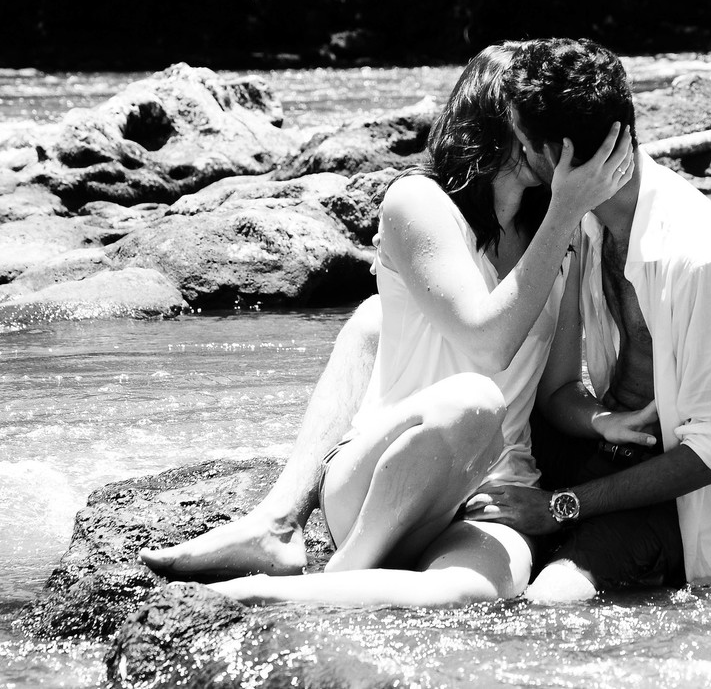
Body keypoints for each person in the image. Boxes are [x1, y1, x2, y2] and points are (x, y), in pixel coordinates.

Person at [141, 41, 635, 605]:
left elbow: (557, 390)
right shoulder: (418, 202)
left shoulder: (563, 242)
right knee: (474, 403)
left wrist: (604, 421)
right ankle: (343, 568)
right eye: (525, 118)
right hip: (377, 479)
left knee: (471, 592)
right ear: (486, 119)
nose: (539, 138)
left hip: (495, 493)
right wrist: (566, 210)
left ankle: (272, 597)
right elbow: (489, 342)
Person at [463, 37, 711, 600]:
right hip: (606, 454)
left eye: (518, 142)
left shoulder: (698, 259)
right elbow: (558, 392)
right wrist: (602, 421)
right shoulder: (584, 225)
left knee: (549, 604)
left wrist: (560, 507)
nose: (511, 154)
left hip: (678, 502)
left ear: (552, 157)